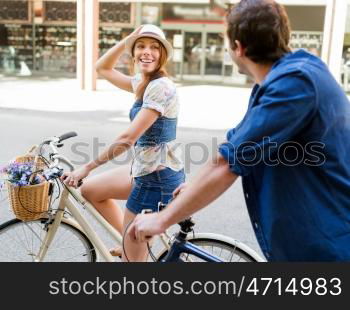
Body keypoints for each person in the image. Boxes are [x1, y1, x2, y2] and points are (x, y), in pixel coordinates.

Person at [129, 0, 350, 261]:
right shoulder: (290, 77)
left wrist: (162, 219)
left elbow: (227, 163)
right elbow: (233, 146)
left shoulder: (294, 84)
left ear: (238, 47)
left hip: (327, 249)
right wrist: (193, 188)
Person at [61, 24, 184, 262]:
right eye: (141, 46)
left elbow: (128, 139)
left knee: (132, 264)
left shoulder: (161, 88)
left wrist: (87, 167)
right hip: (145, 169)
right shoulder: (143, 81)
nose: (146, 52)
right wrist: (129, 38)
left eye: (154, 48)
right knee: (90, 190)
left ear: (163, 55)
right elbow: (102, 68)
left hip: (156, 178)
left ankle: (133, 253)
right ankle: (127, 241)